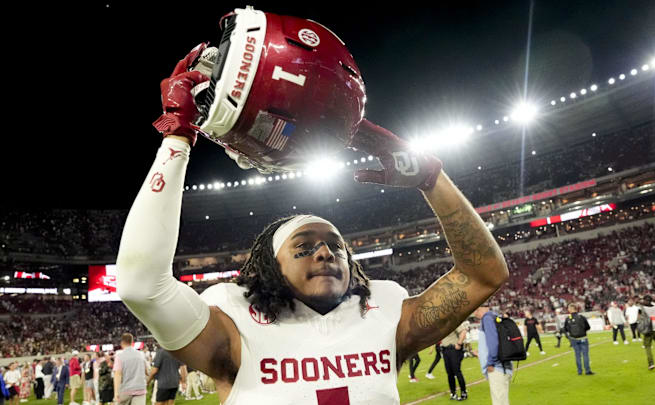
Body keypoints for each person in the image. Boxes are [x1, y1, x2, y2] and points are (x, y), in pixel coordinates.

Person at [116, 43, 509, 404]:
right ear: (272, 270)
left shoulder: (383, 312)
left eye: (337, 246)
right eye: (303, 248)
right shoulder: (234, 326)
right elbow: (141, 284)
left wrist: (429, 177)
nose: (325, 252)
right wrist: (178, 137)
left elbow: (483, 275)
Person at [473, 306, 512, 405]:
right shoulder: (495, 316)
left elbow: (493, 343)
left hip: (497, 367)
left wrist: (490, 363)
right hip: (503, 365)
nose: (474, 314)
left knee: (499, 402)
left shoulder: (487, 318)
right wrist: (480, 354)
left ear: (479, 308)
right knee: (503, 401)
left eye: (474, 310)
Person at [113, 334, 147, 405]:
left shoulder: (119, 356)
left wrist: (116, 392)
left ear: (122, 343)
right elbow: (146, 371)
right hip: (140, 389)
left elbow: (117, 374)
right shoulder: (141, 354)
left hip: (126, 390)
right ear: (132, 342)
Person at [440, 320, 470, 401]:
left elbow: (463, 332)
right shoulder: (442, 324)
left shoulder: (453, 322)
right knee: (449, 373)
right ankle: (453, 393)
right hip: (445, 349)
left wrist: (459, 344)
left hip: (453, 349)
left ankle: (464, 393)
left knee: (457, 371)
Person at [564, 304, 594, 376]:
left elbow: (566, 329)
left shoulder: (568, 318)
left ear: (570, 309)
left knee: (577, 355)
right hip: (583, 338)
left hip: (574, 339)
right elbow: (588, 327)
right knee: (585, 355)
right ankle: (587, 370)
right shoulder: (581, 317)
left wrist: (572, 333)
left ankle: (579, 371)